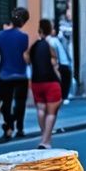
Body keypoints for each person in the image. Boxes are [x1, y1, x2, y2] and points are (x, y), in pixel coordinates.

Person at [0, 8, 31, 141]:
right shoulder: (24, 37)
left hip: (4, 74)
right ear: (23, 22)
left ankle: (8, 127)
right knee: (20, 103)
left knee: (6, 103)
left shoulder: (0, 35)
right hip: (21, 74)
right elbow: (26, 57)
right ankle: (19, 128)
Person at [26, 19, 63, 149]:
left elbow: (27, 60)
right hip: (51, 82)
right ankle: (46, 141)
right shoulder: (51, 45)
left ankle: (44, 136)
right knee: (52, 112)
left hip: (36, 82)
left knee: (41, 110)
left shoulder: (34, 46)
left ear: (39, 30)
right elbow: (54, 66)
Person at [47, 24, 73, 102]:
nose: (55, 31)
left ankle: (63, 96)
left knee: (65, 80)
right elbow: (54, 52)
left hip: (63, 63)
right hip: (61, 63)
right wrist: (57, 63)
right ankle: (63, 97)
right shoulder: (52, 40)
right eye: (53, 30)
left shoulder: (57, 39)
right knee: (64, 81)